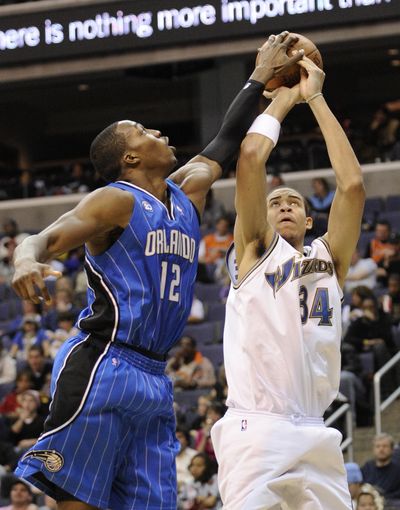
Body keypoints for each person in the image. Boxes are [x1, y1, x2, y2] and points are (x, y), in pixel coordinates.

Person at [11, 31, 303, 510]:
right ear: (129, 158)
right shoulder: (116, 200)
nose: (161, 134)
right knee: (79, 502)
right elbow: (46, 236)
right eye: (146, 132)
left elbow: (227, 140)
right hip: (103, 362)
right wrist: (25, 259)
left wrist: (272, 89)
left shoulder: (187, 191)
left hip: (153, 375)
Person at [210, 50, 365, 509]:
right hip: (256, 427)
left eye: (292, 201)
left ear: (309, 219)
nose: (282, 205)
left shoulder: (329, 259)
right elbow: (251, 157)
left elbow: (353, 185)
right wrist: (282, 98)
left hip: (316, 429)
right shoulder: (255, 248)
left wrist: (316, 99)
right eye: (275, 201)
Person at [361, 433, 400, 500]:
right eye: (378, 446)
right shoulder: (367, 467)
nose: (381, 449)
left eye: (385, 446)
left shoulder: (398, 469)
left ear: (392, 449)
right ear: (373, 449)